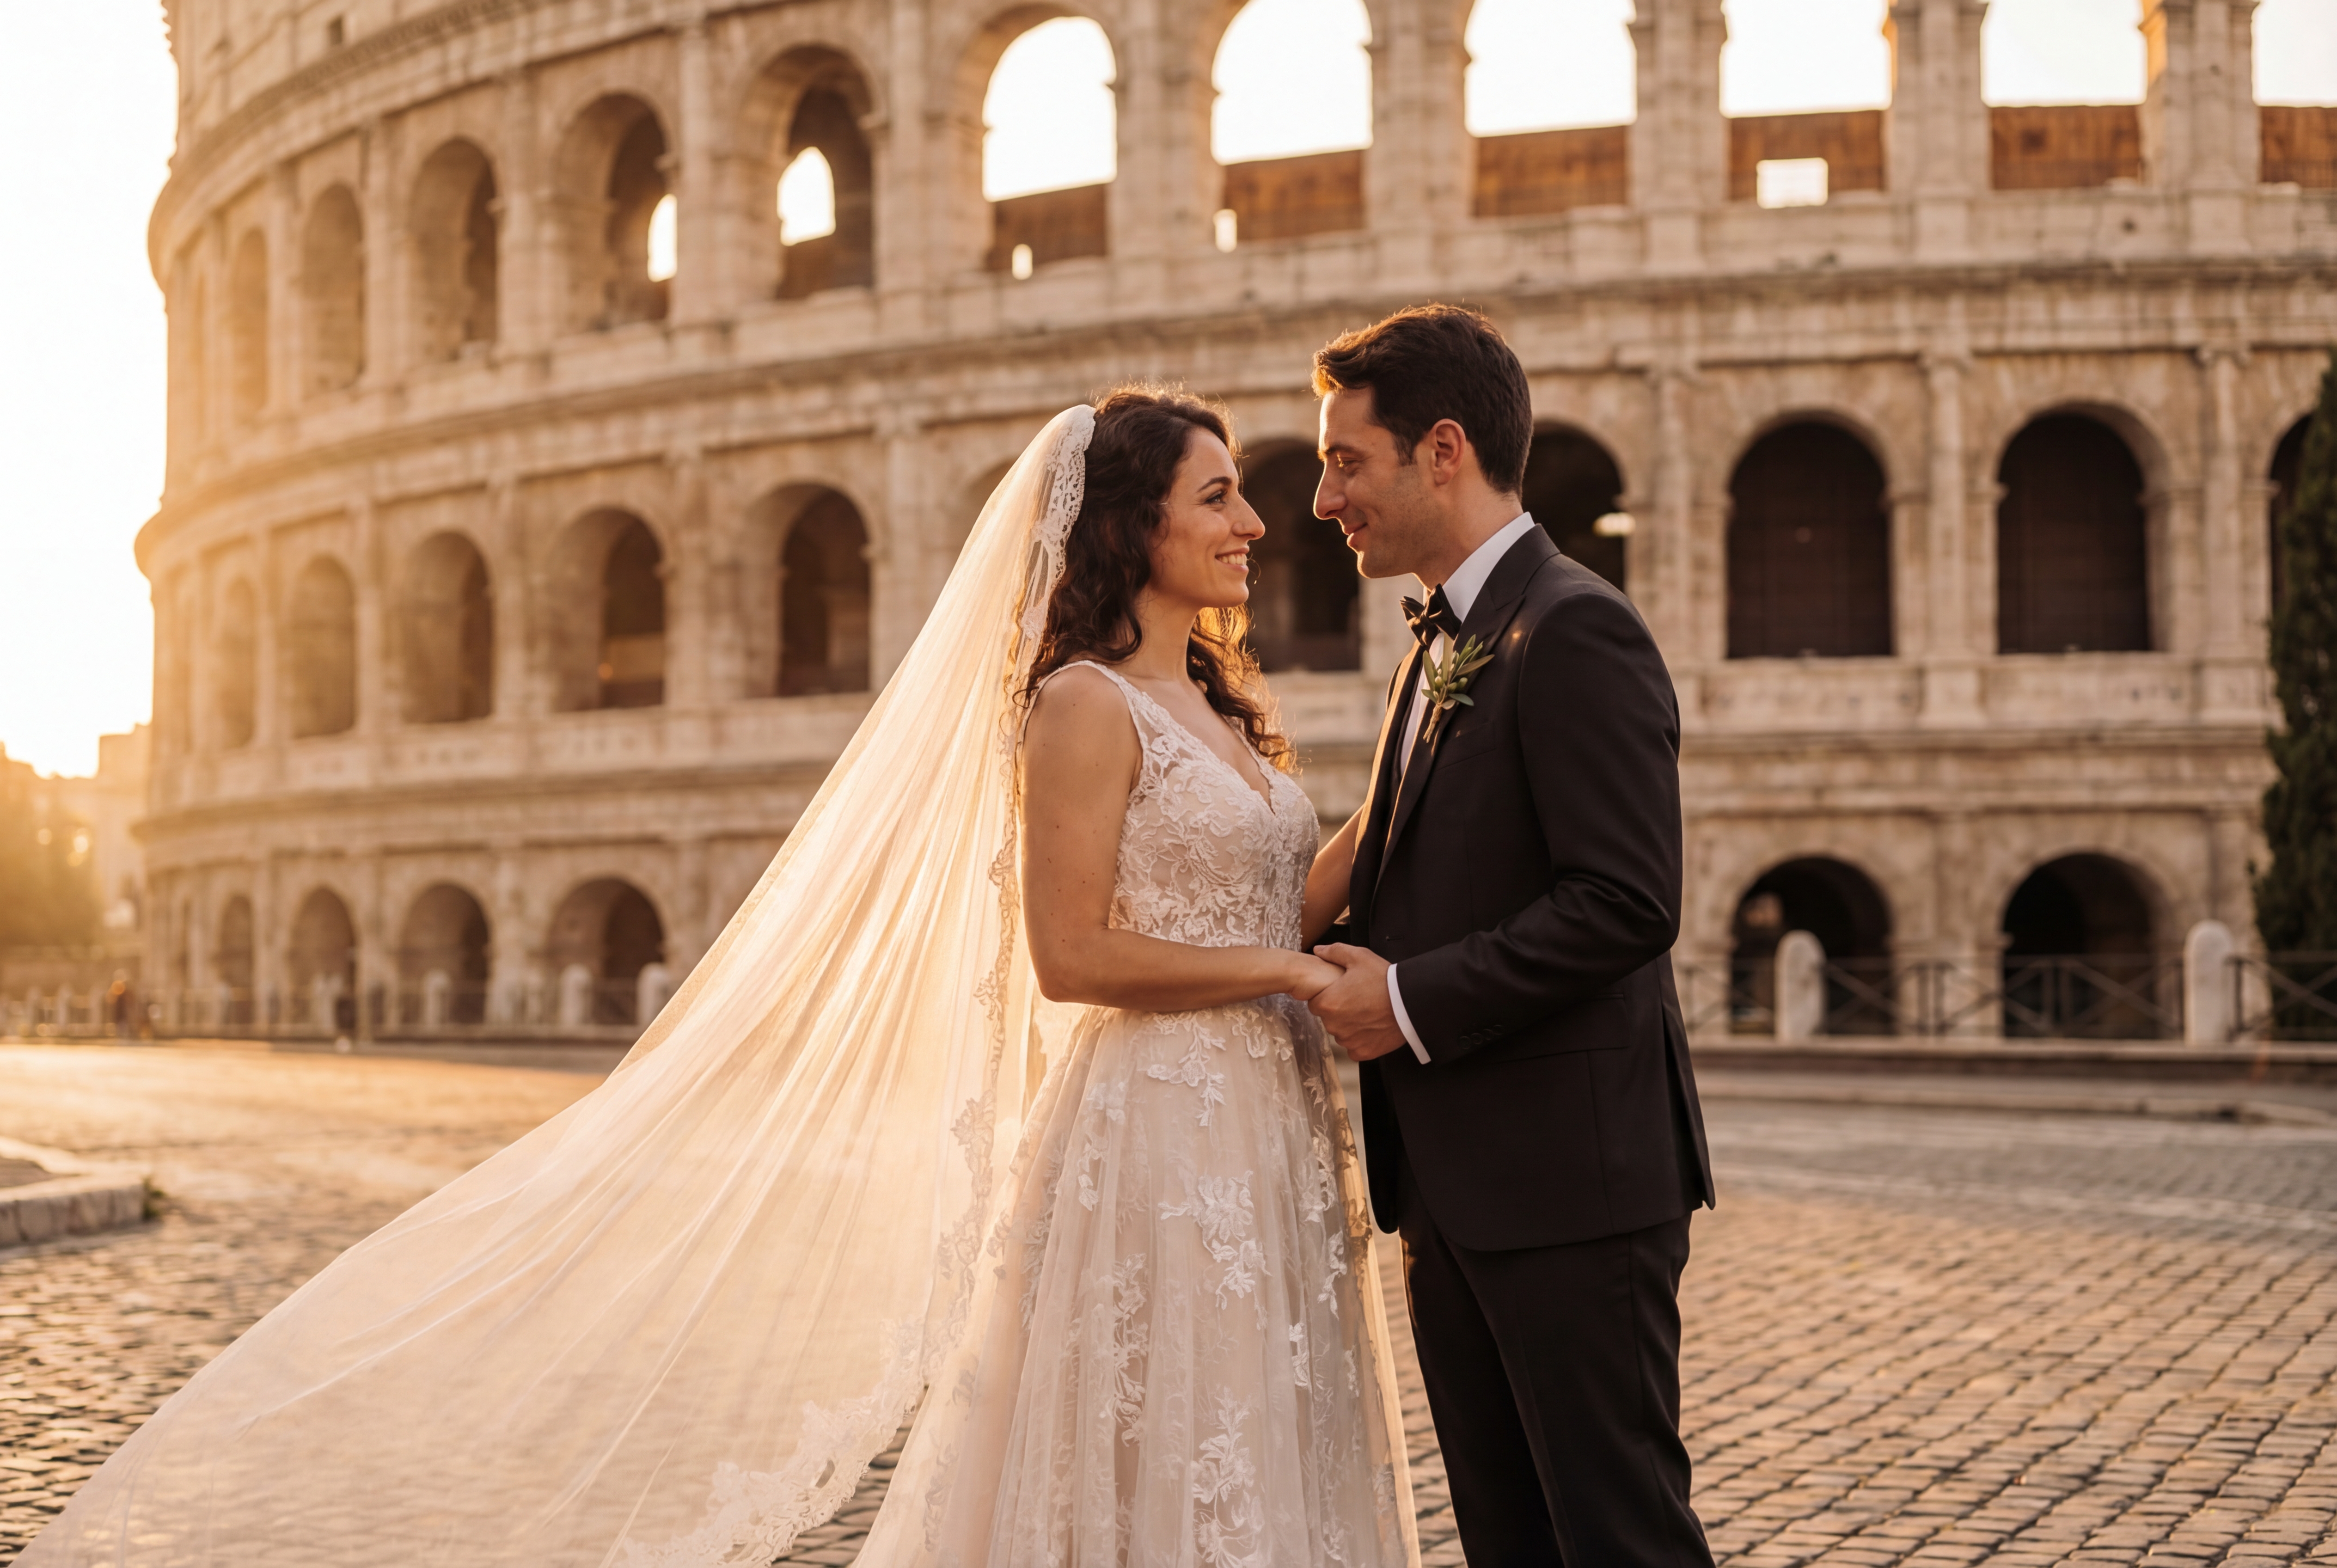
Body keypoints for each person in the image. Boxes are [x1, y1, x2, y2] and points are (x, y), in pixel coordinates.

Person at [22, 392, 1414, 1568]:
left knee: (1258, 1411)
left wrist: (1409, 771)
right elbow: (1073, 956)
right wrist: (1287, 974)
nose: (1253, 523)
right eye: (1221, 496)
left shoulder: (1223, 709)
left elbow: (1260, 894)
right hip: (1159, 1121)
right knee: (1158, 1429)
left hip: (1264, 1119)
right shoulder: (1080, 704)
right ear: (1133, 528)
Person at [1303, 303, 1719, 1567]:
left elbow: (1630, 901)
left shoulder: (1575, 626)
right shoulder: (1438, 645)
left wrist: (1409, 1002)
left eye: (1344, 462)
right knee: (1510, 1542)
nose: (1326, 502)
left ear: (1443, 451)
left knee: (1620, 1539)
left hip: (1573, 1191)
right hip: (1460, 1192)